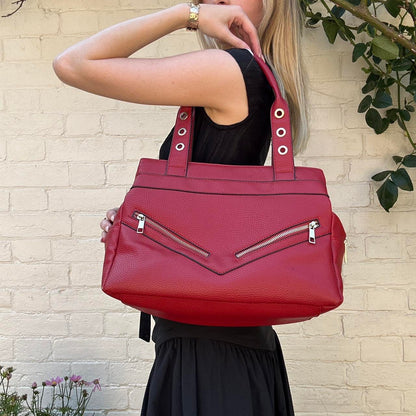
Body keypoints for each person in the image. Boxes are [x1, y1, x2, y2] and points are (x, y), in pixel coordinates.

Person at [53, 1, 309, 414]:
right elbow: (215, 213)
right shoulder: (255, 74)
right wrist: (150, 224)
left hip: (208, 358)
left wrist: (185, 15)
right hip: (229, 349)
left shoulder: (231, 69)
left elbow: (73, 63)